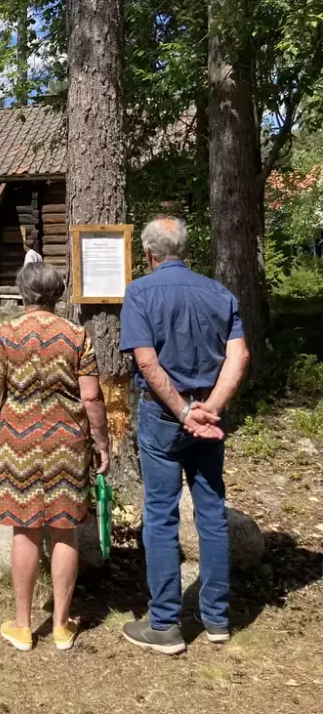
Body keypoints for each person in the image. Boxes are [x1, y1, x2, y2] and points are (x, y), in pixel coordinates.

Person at [119, 217, 250, 655]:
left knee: (160, 513)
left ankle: (164, 624)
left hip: (164, 416)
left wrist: (185, 410)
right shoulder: (220, 293)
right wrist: (210, 408)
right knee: (211, 511)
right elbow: (239, 355)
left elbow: (146, 361)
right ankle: (216, 618)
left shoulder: (139, 292)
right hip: (207, 419)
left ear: (149, 254)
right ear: (184, 250)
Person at [0, 262, 110, 652]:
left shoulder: (7, 334)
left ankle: (21, 625)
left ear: (23, 293)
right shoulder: (76, 335)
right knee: (65, 528)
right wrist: (102, 442)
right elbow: (90, 396)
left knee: (25, 529)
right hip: (67, 443)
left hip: (16, 441)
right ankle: (60, 625)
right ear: (57, 293)